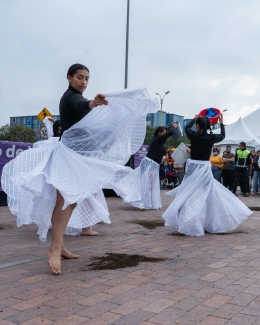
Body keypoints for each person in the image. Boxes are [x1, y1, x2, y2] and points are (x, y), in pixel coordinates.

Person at [1, 63, 158, 274]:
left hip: (73, 156)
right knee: (66, 202)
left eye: (86, 79)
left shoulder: (74, 95)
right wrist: (92, 103)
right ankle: (55, 248)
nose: (83, 82)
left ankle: (61, 246)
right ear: (69, 78)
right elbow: (80, 104)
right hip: (69, 157)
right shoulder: (70, 97)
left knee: (67, 202)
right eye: (79, 77)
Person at [162, 113, 252, 236]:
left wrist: (194, 119)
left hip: (193, 167)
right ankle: (204, 223)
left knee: (188, 195)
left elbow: (186, 128)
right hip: (204, 168)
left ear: (197, 126)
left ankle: (189, 224)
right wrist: (221, 122)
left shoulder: (193, 135)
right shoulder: (211, 138)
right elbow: (222, 135)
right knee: (206, 196)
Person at [121, 123, 178, 210]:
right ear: (159, 133)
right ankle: (139, 202)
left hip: (154, 165)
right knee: (145, 183)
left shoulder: (160, 142)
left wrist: (170, 128)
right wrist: (173, 128)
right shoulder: (156, 139)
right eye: (163, 133)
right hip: (149, 163)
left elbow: (167, 135)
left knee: (150, 184)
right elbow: (168, 134)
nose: (164, 134)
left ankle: (147, 202)